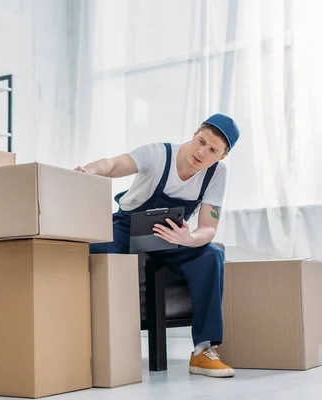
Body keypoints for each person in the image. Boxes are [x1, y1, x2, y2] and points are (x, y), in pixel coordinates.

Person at [75, 113, 239, 378]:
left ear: (221, 157)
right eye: (201, 141)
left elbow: (208, 227)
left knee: (211, 255)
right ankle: (90, 345)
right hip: (127, 227)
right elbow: (113, 165)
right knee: (98, 251)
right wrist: (87, 171)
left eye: (212, 150)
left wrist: (189, 239)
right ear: (196, 132)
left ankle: (203, 351)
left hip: (171, 236)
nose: (201, 152)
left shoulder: (217, 175)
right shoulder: (158, 154)